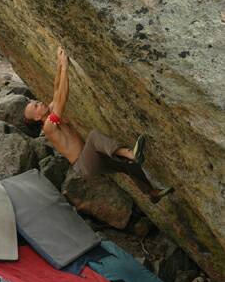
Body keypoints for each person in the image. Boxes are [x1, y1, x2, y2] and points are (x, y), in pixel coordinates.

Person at [24, 46, 174, 203]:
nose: (38, 102)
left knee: (127, 165)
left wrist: (60, 63)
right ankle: (131, 152)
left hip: (93, 157)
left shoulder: (50, 110)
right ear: (37, 117)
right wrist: (66, 69)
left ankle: (152, 193)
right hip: (83, 164)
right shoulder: (48, 126)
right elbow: (62, 97)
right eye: (35, 106)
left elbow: (56, 89)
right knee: (94, 136)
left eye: (35, 102)